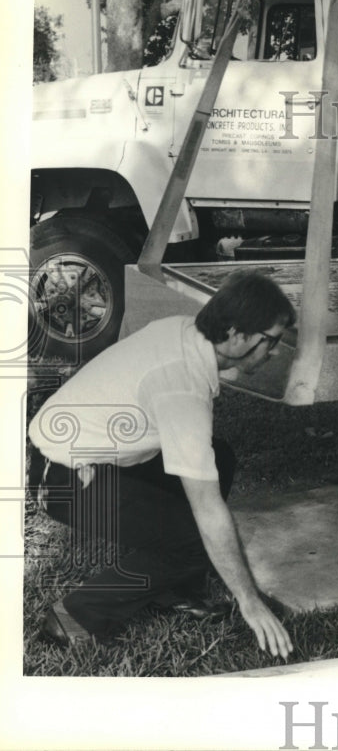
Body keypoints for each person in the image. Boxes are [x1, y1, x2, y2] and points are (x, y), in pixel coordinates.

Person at [27, 270, 295, 658]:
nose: (273, 352)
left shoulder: (185, 330)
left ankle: (173, 585)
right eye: (271, 341)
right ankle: (74, 615)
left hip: (82, 455)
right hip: (61, 478)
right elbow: (208, 509)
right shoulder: (181, 385)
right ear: (236, 335)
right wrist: (249, 601)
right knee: (193, 538)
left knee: (218, 456)